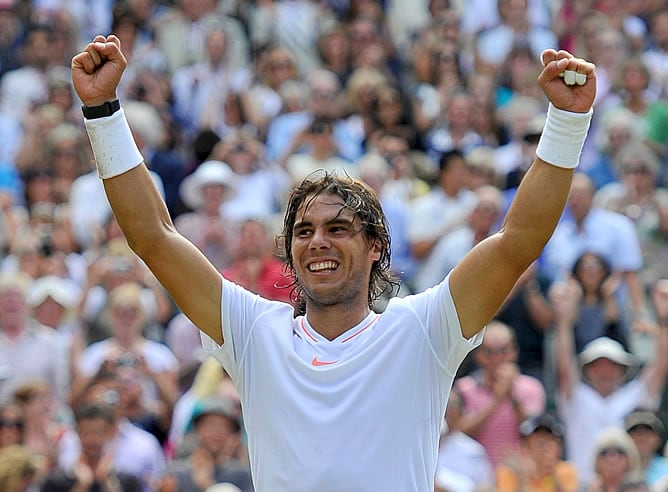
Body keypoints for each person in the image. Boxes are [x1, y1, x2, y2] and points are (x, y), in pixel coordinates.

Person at [71, 35, 596, 491]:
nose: (317, 241)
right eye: (303, 231)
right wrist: (102, 112)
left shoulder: (424, 329)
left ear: (375, 247)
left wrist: (567, 123)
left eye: (338, 228)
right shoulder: (254, 332)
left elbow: (518, 241)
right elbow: (155, 238)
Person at [551, 278, 668, 484]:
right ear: (587, 369)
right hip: (582, 488)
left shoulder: (635, 395)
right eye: (598, 364)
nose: (604, 370)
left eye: (611, 364)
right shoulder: (577, 398)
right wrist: (563, 321)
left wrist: (664, 318)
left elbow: (660, 366)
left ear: (622, 369)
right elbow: (564, 369)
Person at [496, 413, 579, 492]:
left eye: (550, 441)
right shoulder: (511, 471)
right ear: (526, 446)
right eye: (540, 442)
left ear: (558, 447)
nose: (546, 448)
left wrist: (553, 472)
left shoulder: (565, 470)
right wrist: (521, 478)